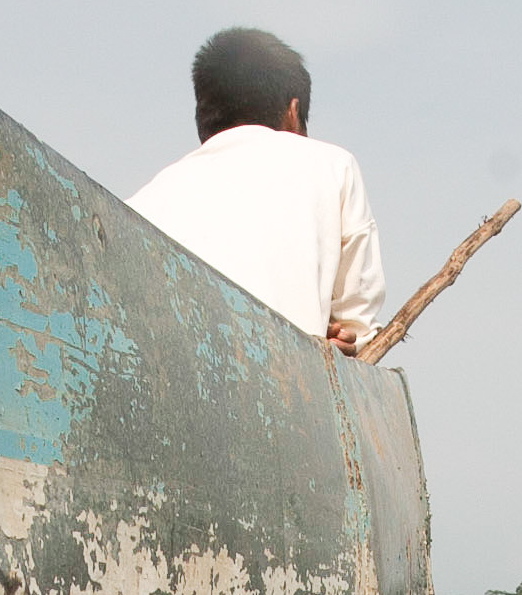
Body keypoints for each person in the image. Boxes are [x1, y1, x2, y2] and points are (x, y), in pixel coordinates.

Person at [126, 28, 386, 353]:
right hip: (287, 377)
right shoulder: (333, 165)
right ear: (293, 112)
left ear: (203, 117)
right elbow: (357, 329)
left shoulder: (140, 204)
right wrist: (344, 342)